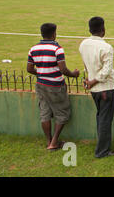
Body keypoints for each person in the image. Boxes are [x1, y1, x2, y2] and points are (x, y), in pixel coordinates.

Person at [27, 23, 79, 151]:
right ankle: (54, 142)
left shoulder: (33, 49)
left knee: (44, 112)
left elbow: (29, 69)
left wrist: (41, 72)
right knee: (62, 113)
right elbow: (63, 69)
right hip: (55, 86)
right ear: (54, 34)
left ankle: (49, 141)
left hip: (41, 84)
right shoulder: (57, 49)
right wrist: (74, 74)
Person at [79, 17, 114, 158]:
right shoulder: (106, 47)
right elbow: (106, 70)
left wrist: (89, 80)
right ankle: (102, 151)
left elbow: (86, 65)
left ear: (90, 30)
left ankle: (103, 147)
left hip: (94, 89)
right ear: (103, 30)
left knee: (100, 117)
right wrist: (93, 81)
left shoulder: (83, 44)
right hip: (105, 88)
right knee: (105, 119)